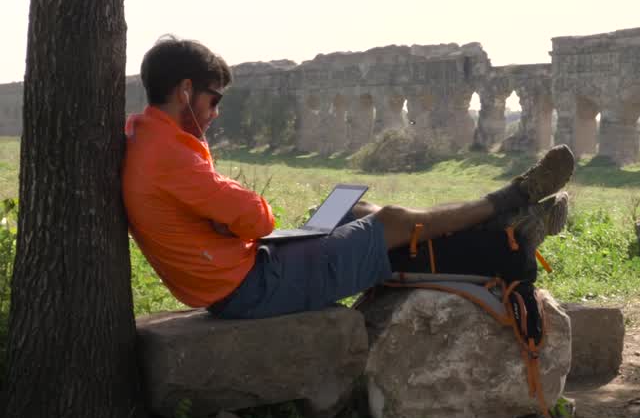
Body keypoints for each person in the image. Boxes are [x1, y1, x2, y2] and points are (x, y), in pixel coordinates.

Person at [122, 36, 574, 320]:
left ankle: (503, 234)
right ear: (185, 91)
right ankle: (512, 200)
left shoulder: (149, 136)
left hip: (245, 269)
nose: (215, 113)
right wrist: (237, 206)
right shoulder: (168, 155)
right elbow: (257, 218)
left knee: (356, 212)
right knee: (389, 222)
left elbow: (233, 217)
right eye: (213, 99)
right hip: (249, 289)